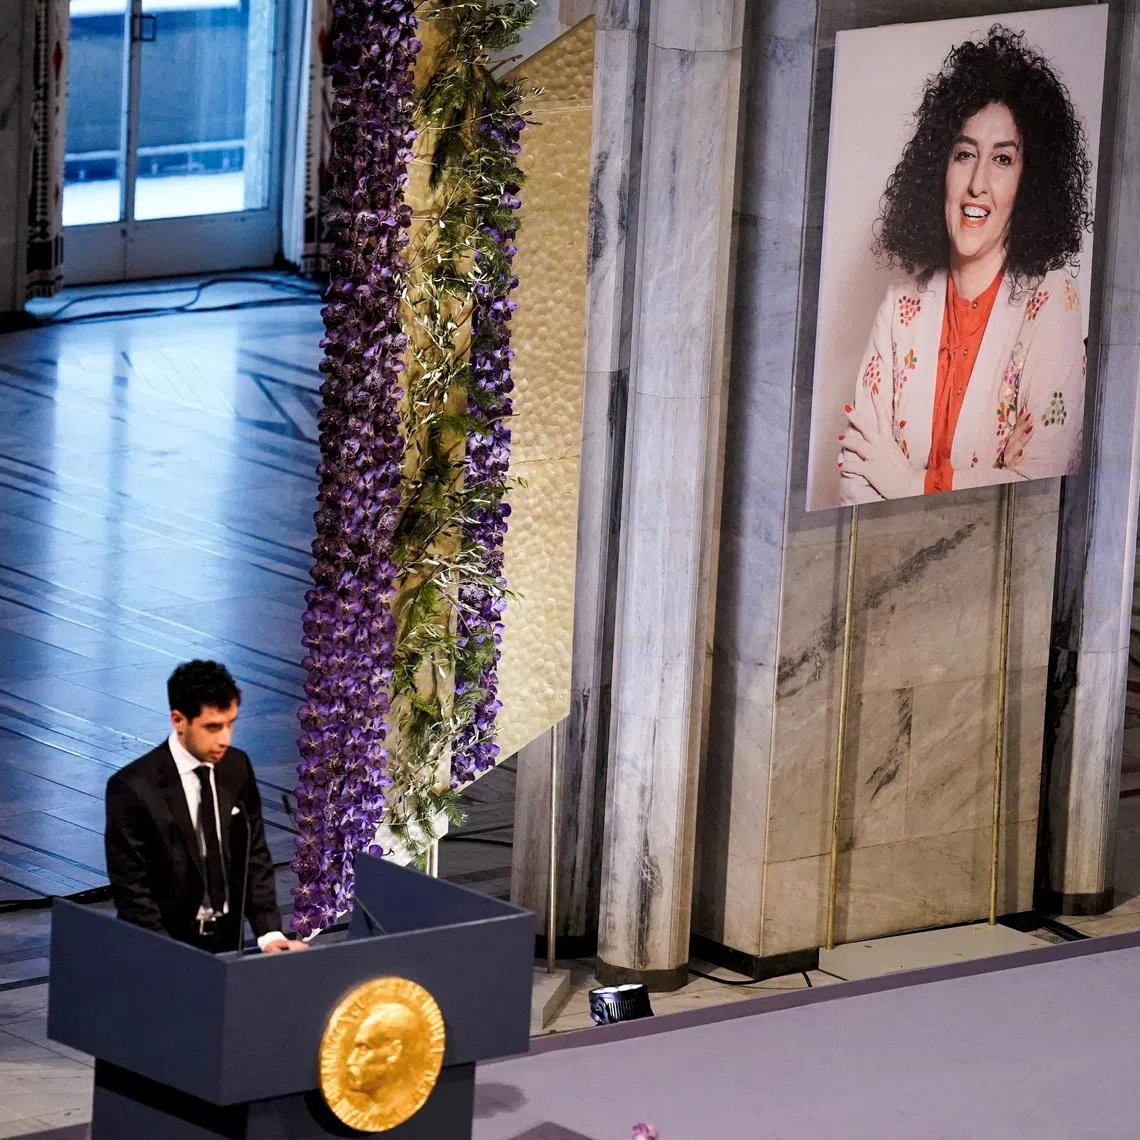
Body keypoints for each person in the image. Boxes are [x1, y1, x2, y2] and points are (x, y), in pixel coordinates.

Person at [839, 26, 1092, 504]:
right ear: (940, 168)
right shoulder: (899, 307)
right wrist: (998, 476)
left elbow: (1044, 483)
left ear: (1030, 183)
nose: (977, 183)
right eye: (964, 154)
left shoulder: (1051, 302)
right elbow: (854, 474)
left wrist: (910, 483)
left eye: (1002, 159)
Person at [104, 659, 307, 954]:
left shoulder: (237, 767)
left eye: (230, 724)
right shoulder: (132, 788)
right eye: (212, 727)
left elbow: (254, 856)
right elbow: (132, 889)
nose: (224, 738)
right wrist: (171, 957)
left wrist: (269, 933)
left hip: (226, 944)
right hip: (162, 950)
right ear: (178, 720)